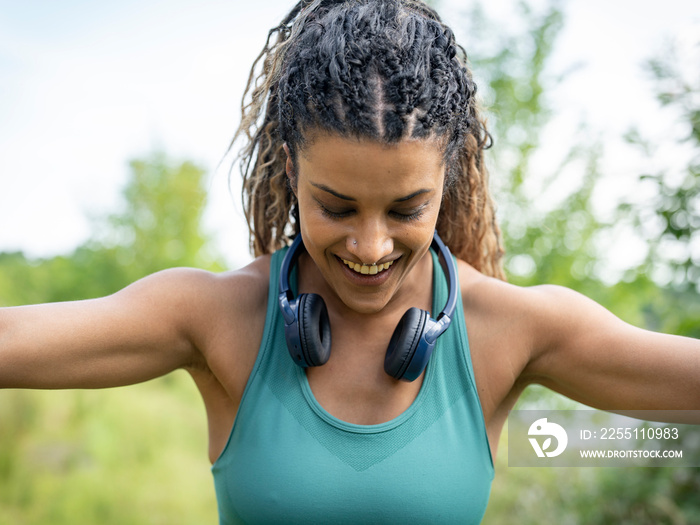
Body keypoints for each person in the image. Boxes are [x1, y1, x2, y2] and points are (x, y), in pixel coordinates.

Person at [1, 0, 698, 523]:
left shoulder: (512, 329)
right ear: (290, 170)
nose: (369, 247)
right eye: (334, 207)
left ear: (447, 181)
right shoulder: (217, 317)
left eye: (405, 210)